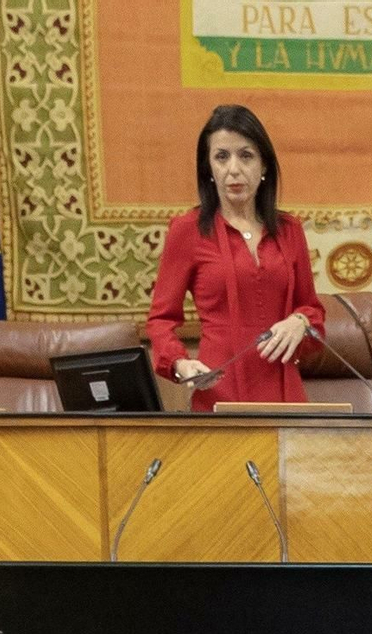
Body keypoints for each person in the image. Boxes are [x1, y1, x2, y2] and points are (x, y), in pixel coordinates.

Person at [147, 105, 325, 413]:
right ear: (209, 169)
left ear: (264, 165)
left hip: (286, 397)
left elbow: (312, 311)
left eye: (246, 156)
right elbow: (161, 321)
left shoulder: (290, 230)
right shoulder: (187, 230)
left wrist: (300, 321)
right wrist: (180, 363)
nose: (233, 169)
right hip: (219, 394)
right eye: (221, 157)